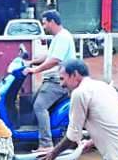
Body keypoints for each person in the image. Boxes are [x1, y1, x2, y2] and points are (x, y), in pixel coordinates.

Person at [25, 10, 78, 151]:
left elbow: (55, 60)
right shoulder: (58, 37)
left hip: (58, 81)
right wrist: (31, 62)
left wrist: (35, 70)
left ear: (52, 22)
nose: (44, 26)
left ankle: (46, 144)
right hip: (52, 79)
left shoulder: (63, 38)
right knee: (33, 100)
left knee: (39, 106)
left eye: (44, 23)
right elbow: (49, 56)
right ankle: (37, 134)